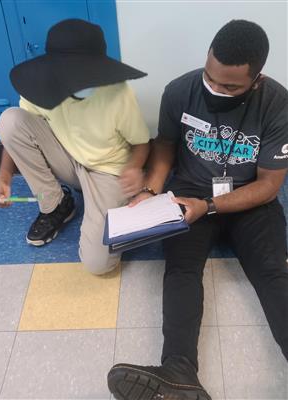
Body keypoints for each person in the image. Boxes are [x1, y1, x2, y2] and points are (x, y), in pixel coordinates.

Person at [107, 19, 288, 400]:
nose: (215, 89)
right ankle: (178, 373)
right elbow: (166, 150)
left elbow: (270, 185)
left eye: (229, 87)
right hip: (187, 193)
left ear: (256, 80)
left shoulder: (278, 104)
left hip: (250, 197)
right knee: (181, 271)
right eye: (210, 77)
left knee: (273, 273)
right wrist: (149, 190)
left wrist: (209, 205)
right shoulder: (179, 91)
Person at [0, 19, 150, 275]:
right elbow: (18, 130)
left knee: (98, 265)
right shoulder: (41, 84)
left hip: (106, 171)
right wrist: (4, 177)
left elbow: (141, 143)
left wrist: (135, 167)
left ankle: (101, 207)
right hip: (66, 158)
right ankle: (56, 205)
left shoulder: (118, 93)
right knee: (10, 120)